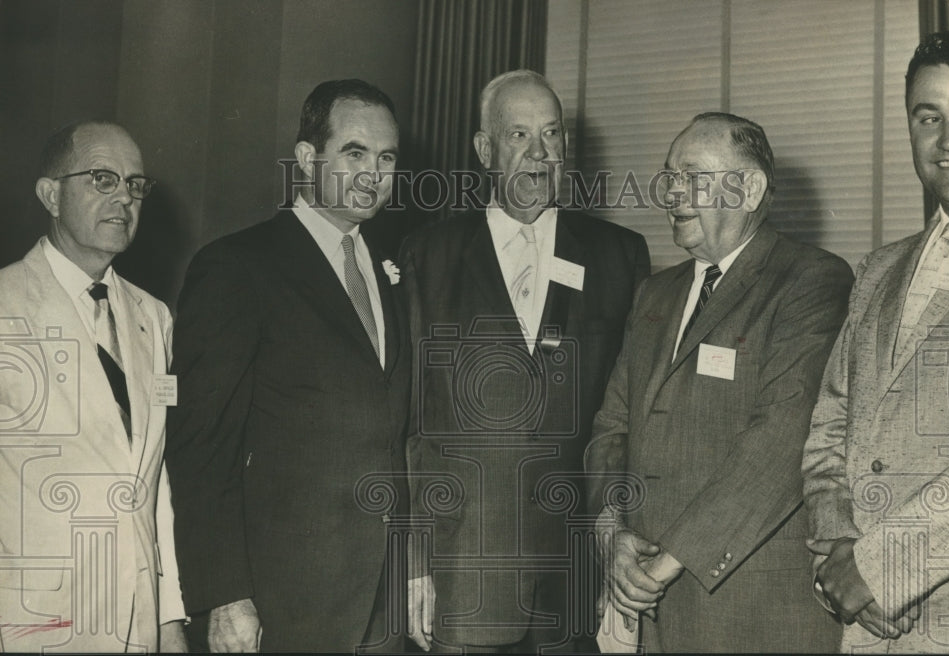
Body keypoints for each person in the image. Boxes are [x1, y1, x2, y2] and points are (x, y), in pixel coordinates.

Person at [402, 69, 649, 652]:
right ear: (485, 150)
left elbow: (632, 420)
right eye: (518, 136)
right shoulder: (427, 255)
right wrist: (415, 560)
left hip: (577, 572)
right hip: (467, 566)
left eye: (553, 134)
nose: (540, 154)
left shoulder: (620, 255)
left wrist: (623, 542)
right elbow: (411, 422)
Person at [587, 112, 853, 652]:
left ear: (749, 188)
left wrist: (666, 563)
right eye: (668, 177)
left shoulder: (811, 280)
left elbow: (781, 440)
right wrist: (610, 530)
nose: (672, 193)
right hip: (647, 607)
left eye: (693, 177)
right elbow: (611, 426)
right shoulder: (653, 294)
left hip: (749, 611)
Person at [165, 79, 411, 652]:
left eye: (387, 157)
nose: (373, 173)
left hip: (381, 605)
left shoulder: (394, 272)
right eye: (354, 153)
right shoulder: (238, 267)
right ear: (307, 158)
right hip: (281, 604)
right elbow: (201, 448)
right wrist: (223, 594)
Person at [803, 31, 949, 653]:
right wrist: (838, 551)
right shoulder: (879, 270)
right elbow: (829, 426)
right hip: (865, 628)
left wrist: (882, 568)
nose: (948, 141)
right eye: (928, 117)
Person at [0, 120, 187, 652]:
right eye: (102, 179)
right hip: (33, 623)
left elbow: (158, 480)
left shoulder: (155, 317)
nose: (123, 198)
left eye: (134, 185)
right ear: (49, 195)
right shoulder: (5, 304)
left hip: (139, 620)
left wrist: (170, 616)